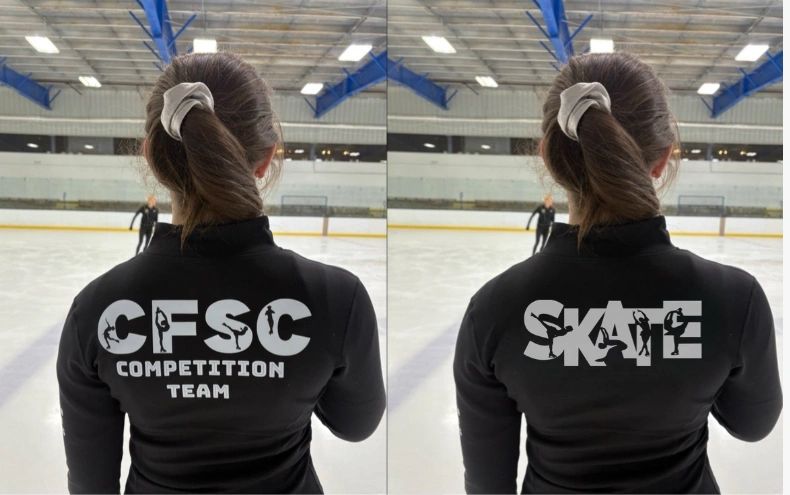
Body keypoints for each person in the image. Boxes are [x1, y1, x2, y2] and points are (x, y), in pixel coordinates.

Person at [57, 52, 385, 494]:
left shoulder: (99, 310)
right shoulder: (334, 297)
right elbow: (355, 424)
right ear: (267, 158)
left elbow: (91, 485)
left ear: (153, 156)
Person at [454, 52, 781, 494]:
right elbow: (752, 424)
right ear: (663, 159)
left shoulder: (494, 310)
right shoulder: (733, 298)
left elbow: (488, 486)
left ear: (550, 156)